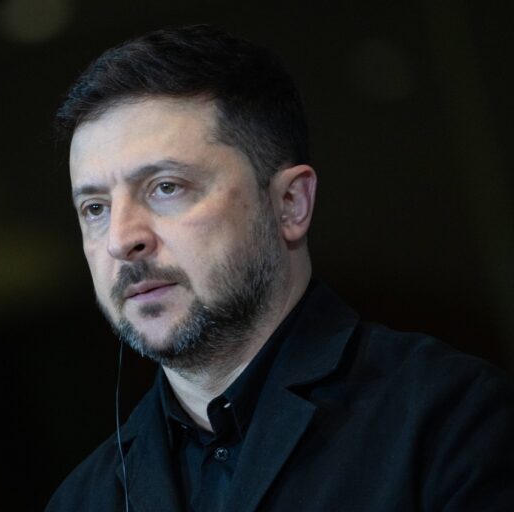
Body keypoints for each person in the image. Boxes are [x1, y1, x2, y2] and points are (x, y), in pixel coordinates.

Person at [46, 24, 514, 511]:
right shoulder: (81, 501)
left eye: (166, 187)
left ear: (290, 203)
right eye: (95, 208)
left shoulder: (449, 418)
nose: (121, 239)